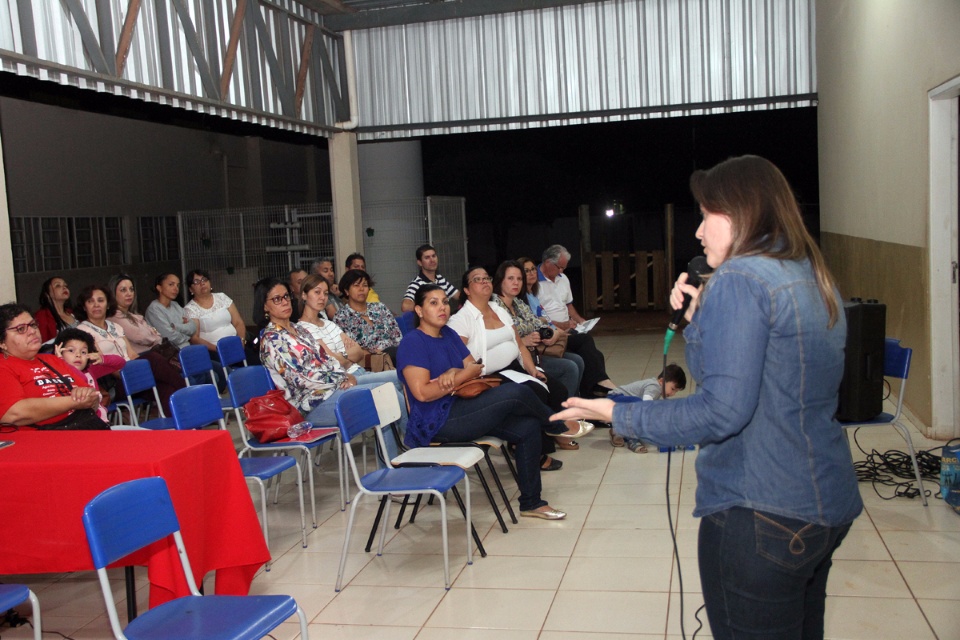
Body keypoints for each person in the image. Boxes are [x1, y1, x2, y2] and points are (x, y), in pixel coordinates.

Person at [551, 155, 863, 639]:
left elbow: (721, 411)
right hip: (822, 500)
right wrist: (700, 322)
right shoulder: (808, 273)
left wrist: (620, 413)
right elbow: (766, 380)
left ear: (740, 214)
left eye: (705, 216)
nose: (697, 232)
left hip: (761, 509)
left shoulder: (742, 278)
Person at [397, 284, 567, 520]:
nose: (442, 308)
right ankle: (557, 425)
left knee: (528, 427)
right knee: (516, 393)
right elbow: (423, 394)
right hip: (437, 421)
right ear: (419, 310)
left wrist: (454, 372)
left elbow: (475, 368)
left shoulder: (449, 334)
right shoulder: (413, 342)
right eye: (433, 303)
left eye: (445, 302)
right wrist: (460, 375)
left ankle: (531, 502)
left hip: (462, 406)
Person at [448, 266, 592, 464]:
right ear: (466, 289)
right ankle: (545, 439)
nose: (484, 282)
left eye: (486, 278)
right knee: (535, 393)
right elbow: (459, 357)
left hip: (514, 368)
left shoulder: (498, 309)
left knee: (555, 388)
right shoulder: (461, 319)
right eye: (477, 279)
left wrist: (532, 369)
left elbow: (518, 343)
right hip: (488, 375)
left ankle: (545, 438)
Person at [255, 277, 406, 458]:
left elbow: (325, 359)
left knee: (400, 379)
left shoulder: (299, 330)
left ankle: (402, 454)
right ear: (265, 306)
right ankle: (413, 446)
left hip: (332, 389)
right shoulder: (273, 340)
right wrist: (340, 378)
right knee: (384, 394)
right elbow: (303, 378)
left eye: (286, 296)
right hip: (310, 405)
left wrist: (341, 374)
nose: (285, 302)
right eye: (276, 299)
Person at [77, 284, 185, 412]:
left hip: (134, 375)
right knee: (152, 358)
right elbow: (103, 364)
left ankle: (187, 424)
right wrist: (135, 372)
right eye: (90, 301)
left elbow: (132, 355)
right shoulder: (83, 332)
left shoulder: (115, 326)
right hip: (115, 382)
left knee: (166, 389)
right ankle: (188, 392)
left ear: (108, 304)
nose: (96, 305)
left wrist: (142, 372)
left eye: (100, 300)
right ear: (84, 307)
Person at [521, 255, 616, 397]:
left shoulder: (533, 295)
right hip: (544, 341)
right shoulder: (523, 299)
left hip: (556, 333)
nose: (532, 273)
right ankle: (599, 384)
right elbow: (539, 324)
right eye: (526, 271)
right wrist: (561, 330)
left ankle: (592, 394)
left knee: (596, 355)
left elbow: (558, 312)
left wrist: (569, 327)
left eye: (533, 269)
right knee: (584, 341)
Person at [0, 303, 104, 428]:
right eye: (21, 329)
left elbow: (93, 398)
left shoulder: (52, 360)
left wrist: (87, 394)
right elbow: (13, 414)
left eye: (33, 325)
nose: (32, 331)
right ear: (2, 343)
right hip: (40, 440)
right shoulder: (4, 367)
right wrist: (74, 401)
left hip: (82, 427)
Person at [492, 260, 582, 398]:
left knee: (577, 361)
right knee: (570, 368)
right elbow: (499, 338)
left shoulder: (518, 303)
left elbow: (538, 323)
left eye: (519, 279)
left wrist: (554, 333)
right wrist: (523, 340)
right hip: (515, 361)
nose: (516, 283)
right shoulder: (494, 306)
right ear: (500, 280)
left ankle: (575, 408)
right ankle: (564, 413)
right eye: (510, 278)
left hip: (534, 353)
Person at [608, 364, 687, 452]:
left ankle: (618, 431)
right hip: (614, 399)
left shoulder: (657, 390)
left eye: (676, 391)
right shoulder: (654, 387)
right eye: (672, 389)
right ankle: (632, 439)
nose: (673, 394)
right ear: (661, 381)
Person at [296, 274, 365, 374]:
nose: (322, 297)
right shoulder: (302, 328)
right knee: (391, 382)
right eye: (317, 292)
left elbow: (359, 352)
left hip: (359, 370)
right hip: (345, 379)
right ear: (304, 295)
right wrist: (346, 356)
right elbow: (330, 361)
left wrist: (340, 357)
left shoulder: (329, 324)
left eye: (326, 293)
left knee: (393, 380)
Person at [54, 328, 124, 422]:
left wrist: (102, 358)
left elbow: (120, 363)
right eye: (71, 351)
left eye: (83, 352)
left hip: (100, 422)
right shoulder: (54, 375)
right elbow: (73, 376)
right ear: (59, 352)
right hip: (81, 426)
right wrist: (60, 362)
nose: (78, 355)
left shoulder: (90, 370)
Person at [334, 269, 402, 363]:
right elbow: (348, 349)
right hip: (369, 362)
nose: (361, 289)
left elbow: (397, 336)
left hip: (395, 356)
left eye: (365, 285)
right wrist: (376, 354)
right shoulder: (341, 317)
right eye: (356, 285)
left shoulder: (380, 308)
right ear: (346, 291)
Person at [145, 273, 199, 349]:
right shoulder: (154, 309)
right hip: (170, 354)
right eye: (171, 284)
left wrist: (175, 326)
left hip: (187, 348)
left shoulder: (175, 305)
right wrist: (187, 336)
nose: (176, 288)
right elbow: (169, 336)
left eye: (178, 285)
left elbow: (193, 327)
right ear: (159, 288)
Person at [401, 244, 460, 312]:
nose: (432, 260)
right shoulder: (417, 283)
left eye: (433, 256)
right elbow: (405, 307)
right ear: (420, 263)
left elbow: (459, 296)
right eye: (427, 257)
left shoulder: (441, 279)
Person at [35, 276, 78, 342]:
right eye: (58, 286)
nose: (64, 288)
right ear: (47, 294)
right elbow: (41, 342)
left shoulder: (73, 313)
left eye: (65, 286)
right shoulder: (42, 316)